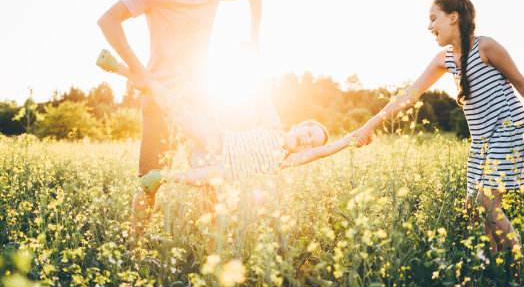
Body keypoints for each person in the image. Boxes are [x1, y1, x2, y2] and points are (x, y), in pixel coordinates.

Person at [353, 0, 524, 268]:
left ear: (454, 17)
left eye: (433, 18)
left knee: (486, 205)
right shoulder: (445, 59)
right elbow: (409, 95)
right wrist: (371, 124)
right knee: (474, 210)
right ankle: (492, 271)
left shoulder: (486, 47)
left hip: (509, 130)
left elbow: (522, 83)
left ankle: (520, 267)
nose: (429, 27)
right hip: (482, 142)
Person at [97, 0, 264, 240]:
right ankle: (135, 250)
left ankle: (210, 249)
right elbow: (107, 20)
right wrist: (138, 70)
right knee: (151, 180)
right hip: (161, 96)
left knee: (212, 174)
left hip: (202, 95)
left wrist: (253, 41)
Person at [97, 50, 355, 187]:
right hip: (217, 138)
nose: (308, 142)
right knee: (172, 106)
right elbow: (261, 94)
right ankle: (120, 68)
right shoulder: (274, 127)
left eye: (312, 144)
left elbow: (325, 151)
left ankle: (161, 177)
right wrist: (252, 60)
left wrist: (351, 140)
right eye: (309, 134)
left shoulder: (287, 160)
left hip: (221, 167)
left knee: (212, 177)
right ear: (299, 125)